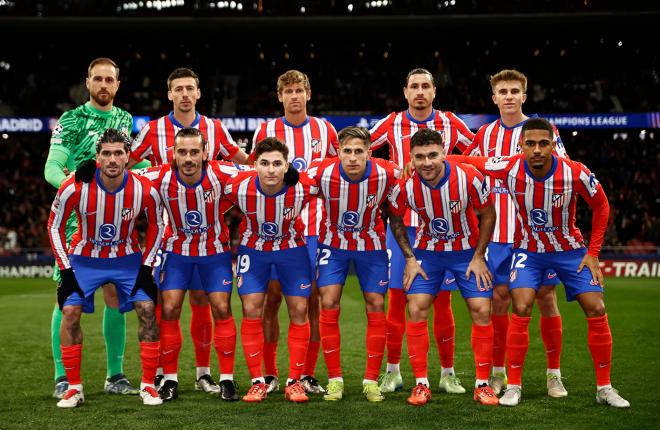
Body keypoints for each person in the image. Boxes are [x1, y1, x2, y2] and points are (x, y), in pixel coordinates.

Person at [448, 117, 630, 408]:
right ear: (521, 146)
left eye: (543, 143)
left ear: (553, 146)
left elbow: (602, 205)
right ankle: (514, 386)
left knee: (596, 307)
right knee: (520, 306)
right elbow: (467, 160)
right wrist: (424, 162)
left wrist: (593, 252)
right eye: (530, 144)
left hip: (569, 250)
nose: (536, 150)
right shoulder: (508, 165)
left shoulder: (575, 172)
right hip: (528, 250)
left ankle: (605, 388)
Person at [129, 67, 249, 393]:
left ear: (198, 93)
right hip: (168, 239)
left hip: (211, 240)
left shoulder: (214, 128)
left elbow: (242, 163)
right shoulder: (153, 130)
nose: (184, 94)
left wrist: (271, 167)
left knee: (204, 303)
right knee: (167, 307)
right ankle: (166, 375)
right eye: (178, 89)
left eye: (189, 89)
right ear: (169, 94)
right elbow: (127, 163)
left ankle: (204, 372)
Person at [44, 57, 146, 399]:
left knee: (116, 298)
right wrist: (79, 187)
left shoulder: (124, 119)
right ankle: (62, 378)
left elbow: (132, 163)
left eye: (110, 80)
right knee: (67, 301)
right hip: (77, 227)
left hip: (117, 226)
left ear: (117, 85)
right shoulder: (71, 120)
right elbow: (52, 169)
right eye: (97, 79)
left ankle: (115, 375)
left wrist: (158, 168)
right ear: (88, 83)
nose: (104, 85)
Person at [463, 69, 568, 397]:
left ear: (524, 95)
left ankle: (554, 374)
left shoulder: (543, 131)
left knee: (546, 297)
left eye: (514, 91)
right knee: (499, 299)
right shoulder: (485, 133)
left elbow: (563, 173)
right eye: (502, 91)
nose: (508, 96)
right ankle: (498, 372)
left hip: (534, 233)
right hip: (496, 234)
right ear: (494, 98)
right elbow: (468, 170)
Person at [370, 68, 475, 394]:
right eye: (413, 86)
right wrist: (392, 168)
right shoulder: (390, 123)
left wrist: (452, 166)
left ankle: (447, 374)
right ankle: (393, 371)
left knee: (442, 302)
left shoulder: (451, 122)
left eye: (425, 86)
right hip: (402, 227)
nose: (419, 92)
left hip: (442, 231)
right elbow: (359, 152)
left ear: (433, 91)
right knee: (397, 300)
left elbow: (473, 157)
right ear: (405, 92)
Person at [47, 128, 164, 408]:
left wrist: (147, 268)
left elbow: (160, 226)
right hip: (84, 259)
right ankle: (74, 387)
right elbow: (53, 227)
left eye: (118, 153)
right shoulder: (75, 186)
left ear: (128, 157)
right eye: (106, 154)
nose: (112, 159)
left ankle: (149, 385)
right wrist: (65, 270)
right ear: (97, 158)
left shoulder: (144, 189)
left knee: (148, 309)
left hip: (127, 258)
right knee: (70, 310)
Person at [388, 128, 498, 406]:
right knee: (416, 307)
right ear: (411, 158)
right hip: (428, 253)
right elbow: (395, 219)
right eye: (420, 157)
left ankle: (482, 384)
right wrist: (410, 258)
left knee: (482, 310)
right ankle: (421, 384)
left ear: (443, 153)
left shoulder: (469, 178)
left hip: (467, 254)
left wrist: (479, 255)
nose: (427, 162)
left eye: (433, 155)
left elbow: (488, 214)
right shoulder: (404, 187)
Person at [136, 128, 240, 402]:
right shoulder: (160, 176)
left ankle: (227, 379)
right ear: (173, 154)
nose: (189, 157)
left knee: (221, 307)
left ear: (205, 153)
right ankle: (170, 379)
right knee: (169, 309)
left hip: (214, 253)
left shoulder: (222, 173)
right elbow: (124, 176)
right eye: (182, 152)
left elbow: (259, 173)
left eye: (195, 152)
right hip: (176, 253)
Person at [252, 70, 338, 395]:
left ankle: (306, 374)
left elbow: (334, 174)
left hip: (316, 230)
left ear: (308, 93)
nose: (294, 96)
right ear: (279, 96)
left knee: (312, 301)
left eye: (299, 90)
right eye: (287, 91)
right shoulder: (266, 130)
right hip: (277, 230)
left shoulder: (325, 129)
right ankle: (272, 373)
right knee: (271, 300)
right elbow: (255, 174)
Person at [304, 127, 400, 402]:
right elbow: (293, 191)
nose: (353, 157)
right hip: (333, 246)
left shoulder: (386, 172)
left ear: (370, 152)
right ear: (338, 152)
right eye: (347, 151)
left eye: (359, 151)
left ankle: (371, 380)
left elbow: (410, 184)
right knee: (329, 302)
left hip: (371, 247)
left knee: (376, 304)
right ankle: (335, 380)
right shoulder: (321, 173)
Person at [224, 137, 315, 404]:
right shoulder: (237, 186)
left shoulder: (304, 185)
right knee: (252, 308)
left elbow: (332, 174)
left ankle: (294, 382)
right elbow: (211, 176)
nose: (271, 170)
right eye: (264, 163)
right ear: (255, 165)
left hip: (292, 249)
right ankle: (258, 382)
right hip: (254, 251)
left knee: (299, 310)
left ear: (287, 165)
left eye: (277, 163)